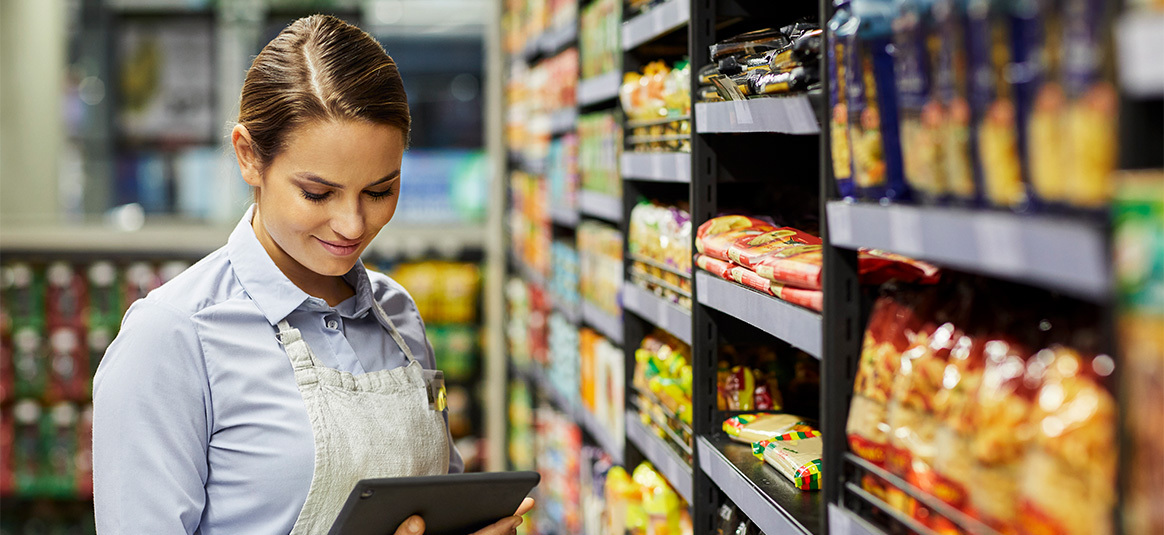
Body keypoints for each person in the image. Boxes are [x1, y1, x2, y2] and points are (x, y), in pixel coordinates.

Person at [92, 14, 531, 535]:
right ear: (249, 157)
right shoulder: (172, 338)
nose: (352, 224)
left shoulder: (398, 315)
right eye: (317, 193)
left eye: (379, 190)